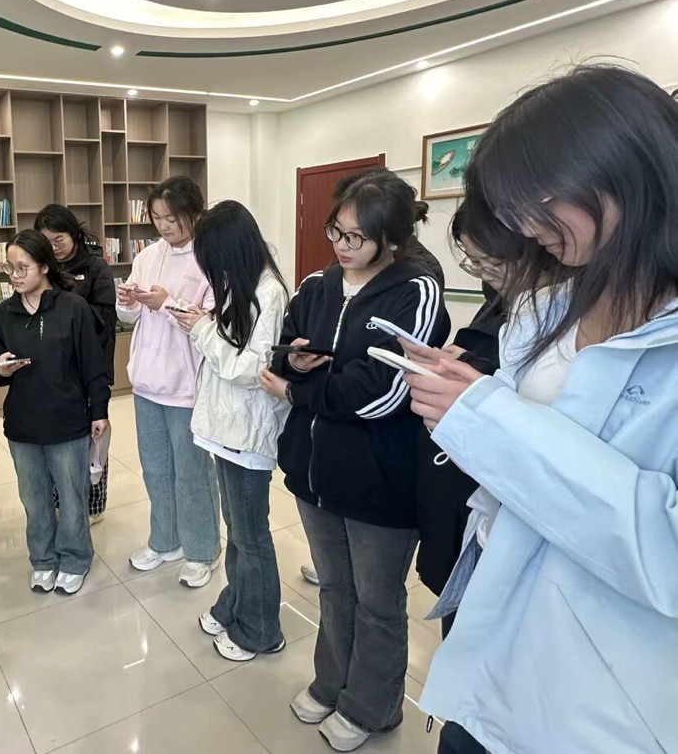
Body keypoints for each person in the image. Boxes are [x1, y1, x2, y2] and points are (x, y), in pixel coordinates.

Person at [404, 65, 678, 754]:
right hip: (491, 633)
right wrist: (469, 401)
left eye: (538, 202)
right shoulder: (545, 309)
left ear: (623, 170)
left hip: (595, 699)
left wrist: (487, 420)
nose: (526, 228)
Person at [260, 169, 450, 751]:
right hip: (314, 470)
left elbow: (381, 394)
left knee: (377, 601)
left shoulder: (415, 291)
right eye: (335, 232)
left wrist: (297, 391)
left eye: (356, 238)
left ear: (390, 238)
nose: (342, 246)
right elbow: (283, 349)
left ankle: (372, 707)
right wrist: (294, 364)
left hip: (379, 479)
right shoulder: (317, 285)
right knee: (334, 589)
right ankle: (331, 683)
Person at [168, 201, 290, 661]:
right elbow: (229, 348)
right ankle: (236, 603)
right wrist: (203, 324)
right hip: (226, 429)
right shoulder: (241, 285)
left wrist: (201, 329)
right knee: (237, 528)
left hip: (247, 433)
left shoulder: (268, 292)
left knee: (250, 535)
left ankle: (261, 629)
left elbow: (250, 370)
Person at [0, 230, 110, 596]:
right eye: (9, 267)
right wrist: (1, 368)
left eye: (22, 267)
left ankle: (74, 558)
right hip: (23, 423)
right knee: (33, 497)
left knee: (71, 496)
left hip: (67, 419)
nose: (15, 275)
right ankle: (42, 558)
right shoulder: (4, 313)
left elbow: (93, 364)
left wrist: (99, 410)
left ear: (44, 266)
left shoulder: (73, 307)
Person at [410, 207, 514, 622]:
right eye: (474, 263)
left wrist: (472, 369)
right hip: (465, 492)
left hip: (498, 502)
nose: (485, 275)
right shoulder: (503, 300)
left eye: (489, 262)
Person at [116, 175, 221, 588]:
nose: (164, 226)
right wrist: (128, 302)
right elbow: (130, 318)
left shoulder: (210, 257)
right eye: (157, 217)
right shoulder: (147, 256)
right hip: (146, 380)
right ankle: (165, 541)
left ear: (195, 213)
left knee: (191, 472)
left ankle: (202, 550)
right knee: (156, 469)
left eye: (172, 218)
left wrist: (166, 303)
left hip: (187, 384)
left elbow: (211, 323)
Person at [35, 204, 117, 523]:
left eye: (59, 239)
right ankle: (61, 500)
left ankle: (94, 505)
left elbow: (106, 316)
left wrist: (70, 302)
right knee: (59, 438)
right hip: (53, 368)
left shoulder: (95, 266)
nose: (54, 247)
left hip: (89, 366)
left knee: (93, 437)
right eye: (47, 241)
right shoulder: (42, 267)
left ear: (74, 234)